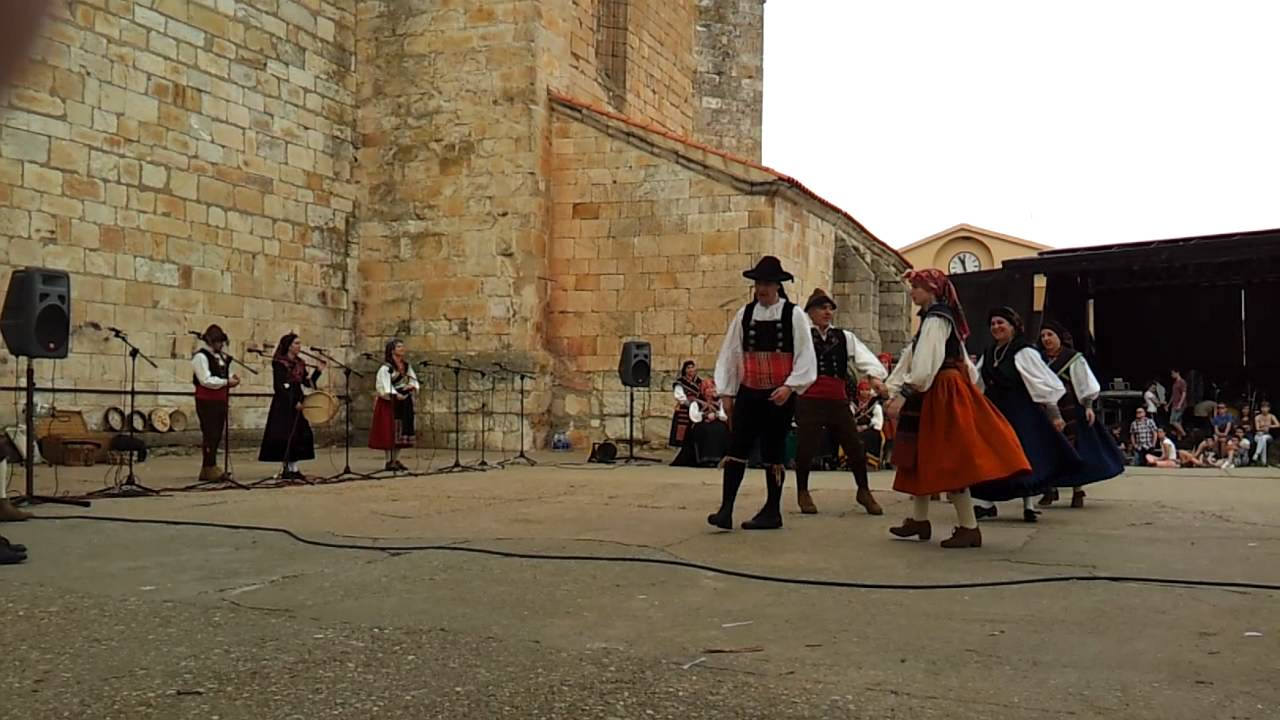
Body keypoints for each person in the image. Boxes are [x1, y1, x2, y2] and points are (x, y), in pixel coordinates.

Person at [884, 269, 1031, 549]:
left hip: (940, 389)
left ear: (932, 289)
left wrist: (904, 393)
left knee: (949, 457)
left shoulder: (937, 318)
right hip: (938, 388)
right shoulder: (934, 318)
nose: (912, 292)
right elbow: (923, 359)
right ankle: (920, 520)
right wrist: (892, 387)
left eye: (916, 287)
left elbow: (925, 364)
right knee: (921, 454)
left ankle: (969, 527)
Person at [706, 256, 817, 531]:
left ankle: (772, 511)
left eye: (767, 283)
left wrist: (790, 387)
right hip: (749, 390)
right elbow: (731, 353)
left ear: (778, 285)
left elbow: (805, 354)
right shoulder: (744, 314)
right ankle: (726, 509)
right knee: (737, 447)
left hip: (778, 394)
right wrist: (727, 392)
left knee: (773, 450)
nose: (762, 289)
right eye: (758, 284)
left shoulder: (794, 314)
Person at [971, 308, 1078, 523]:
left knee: (1025, 454)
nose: (996, 327)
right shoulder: (989, 352)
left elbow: (1042, 382)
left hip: (1020, 412)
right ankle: (987, 504)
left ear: (1013, 326)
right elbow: (977, 383)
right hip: (995, 412)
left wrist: (1055, 413)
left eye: (1001, 322)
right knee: (993, 455)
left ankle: (1028, 505)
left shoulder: (1024, 351)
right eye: (993, 324)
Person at [791, 288, 886, 516]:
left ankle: (863, 490)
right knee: (806, 447)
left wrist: (874, 376)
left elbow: (864, 357)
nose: (827, 312)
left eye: (830, 308)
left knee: (855, 445)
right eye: (821, 308)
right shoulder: (801, 336)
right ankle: (802, 491)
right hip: (809, 398)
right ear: (810, 312)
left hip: (837, 399)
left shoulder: (844, 337)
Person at [1036, 321, 1125, 509]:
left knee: (1074, 450)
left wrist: (1088, 406)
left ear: (1059, 337)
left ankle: (1078, 490)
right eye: (1043, 336)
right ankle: (1050, 488)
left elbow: (1085, 383)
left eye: (1050, 335)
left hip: (1070, 410)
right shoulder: (1039, 359)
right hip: (1046, 410)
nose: (1046, 339)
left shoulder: (1072, 358)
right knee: (1049, 449)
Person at [258, 333, 325, 478]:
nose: (299, 346)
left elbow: (306, 382)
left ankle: (294, 468)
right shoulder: (279, 363)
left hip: (298, 397)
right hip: (284, 401)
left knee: (299, 434)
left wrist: (318, 371)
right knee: (286, 434)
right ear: (289, 346)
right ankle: (286, 467)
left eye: (299, 343)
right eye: (296, 343)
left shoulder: (300, 362)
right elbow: (279, 386)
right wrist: (294, 401)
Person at [192, 324, 241, 482]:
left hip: (220, 399)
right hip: (206, 400)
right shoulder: (201, 357)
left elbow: (224, 373)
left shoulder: (220, 357)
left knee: (217, 434)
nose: (221, 345)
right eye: (218, 342)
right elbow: (205, 380)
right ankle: (208, 466)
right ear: (211, 342)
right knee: (210, 433)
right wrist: (226, 382)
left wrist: (233, 378)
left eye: (222, 342)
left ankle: (210, 466)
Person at [369, 338, 419, 471]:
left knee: (401, 430)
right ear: (392, 350)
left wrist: (411, 386)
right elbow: (384, 385)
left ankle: (396, 459)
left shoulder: (406, 366)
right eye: (399, 347)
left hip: (404, 400)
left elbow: (413, 379)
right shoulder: (386, 368)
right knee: (389, 430)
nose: (402, 349)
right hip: (390, 401)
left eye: (402, 346)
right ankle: (388, 461)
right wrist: (395, 394)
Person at [671, 379, 731, 467]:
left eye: (712, 388)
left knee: (722, 429)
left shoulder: (719, 402)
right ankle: (704, 460)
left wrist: (716, 415)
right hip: (701, 423)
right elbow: (694, 416)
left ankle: (718, 459)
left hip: (716, 422)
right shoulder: (696, 401)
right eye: (708, 388)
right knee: (705, 431)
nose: (710, 390)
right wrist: (704, 415)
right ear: (703, 390)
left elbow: (724, 415)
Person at [851, 380, 885, 469]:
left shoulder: (875, 405)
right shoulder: (853, 404)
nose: (864, 392)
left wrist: (867, 426)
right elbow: (849, 417)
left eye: (867, 390)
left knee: (868, 437)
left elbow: (878, 422)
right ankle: (851, 461)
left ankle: (870, 462)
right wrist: (855, 426)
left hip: (871, 429)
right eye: (862, 390)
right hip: (856, 428)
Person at [669, 361, 703, 447]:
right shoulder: (681, 382)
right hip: (684, 409)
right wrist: (691, 405)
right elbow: (680, 396)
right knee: (682, 432)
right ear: (685, 370)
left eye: (692, 367)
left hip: (697, 409)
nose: (691, 369)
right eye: (688, 368)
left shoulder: (700, 382)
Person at [1254, 401, 1276, 466]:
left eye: (1266, 407)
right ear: (1261, 408)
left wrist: (1269, 426)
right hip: (1258, 435)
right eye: (1263, 407)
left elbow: (1278, 425)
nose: (1264, 409)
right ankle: (1264, 462)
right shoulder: (1257, 417)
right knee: (1263, 441)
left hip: (1268, 435)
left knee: (1264, 438)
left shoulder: (1271, 416)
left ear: (1269, 408)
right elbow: (1257, 428)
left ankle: (1257, 453)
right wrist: (1263, 429)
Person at [1168, 369, 1188, 439]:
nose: (1172, 375)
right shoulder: (1175, 383)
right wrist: (1168, 404)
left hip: (1179, 405)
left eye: (1173, 373)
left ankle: (1184, 434)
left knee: (1173, 421)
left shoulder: (1182, 382)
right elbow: (1173, 395)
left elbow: (1184, 393)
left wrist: (1180, 404)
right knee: (1178, 422)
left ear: (1177, 373)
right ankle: (1179, 438)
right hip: (1174, 404)